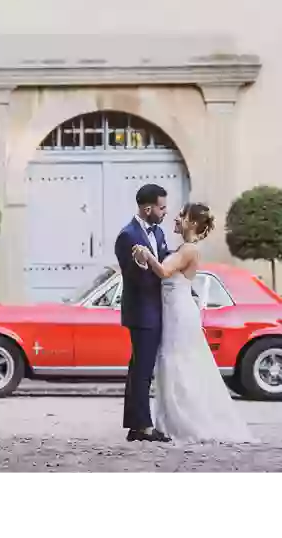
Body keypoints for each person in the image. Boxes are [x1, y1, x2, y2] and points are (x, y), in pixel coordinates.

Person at [132, 203, 253, 444]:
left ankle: (185, 422)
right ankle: (170, 421)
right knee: (170, 362)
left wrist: (146, 254)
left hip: (179, 312)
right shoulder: (182, 248)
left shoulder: (189, 250)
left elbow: (165, 272)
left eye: (181, 216)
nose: (175, 219)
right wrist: (142, 258)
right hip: (172, 310)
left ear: (193, 223)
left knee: (178, 362)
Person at [114, 183, 171, 443]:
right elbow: (136, 277)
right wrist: (150, 266)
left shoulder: (158, 232)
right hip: (142, 313)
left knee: (139, 369)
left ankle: (136, 426)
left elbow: (165, 259)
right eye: (162, 207)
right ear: (147, 208)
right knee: (143, 370)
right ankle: (143, 427)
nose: (165, 212)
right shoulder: (127, 236)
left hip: (156, 310)